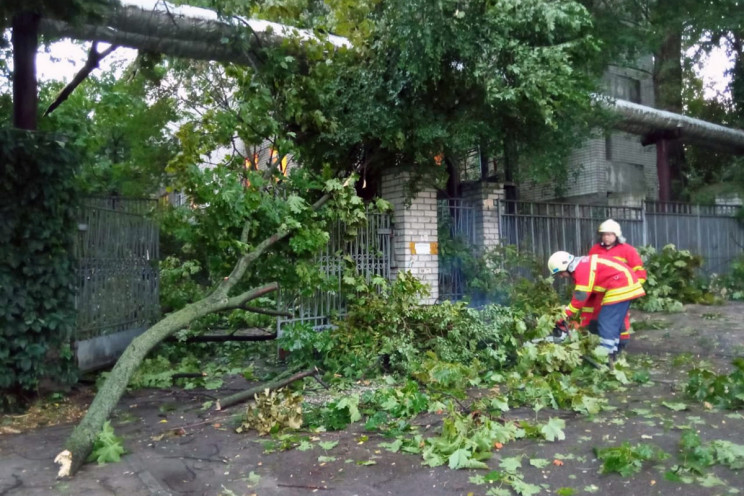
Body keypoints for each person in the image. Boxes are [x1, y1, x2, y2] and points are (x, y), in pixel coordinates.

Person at [548, 251, 645, 363]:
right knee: (610, 320)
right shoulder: (583, 267)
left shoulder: (582, 269)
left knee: (606, 321)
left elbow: (580, 298)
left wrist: (564, 314)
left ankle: (606, 357)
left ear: (567, 266)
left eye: (561, 273)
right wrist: (582, 325)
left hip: (620, 284)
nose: (561, 276)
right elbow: (589, 302)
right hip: (621, 283)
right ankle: (614, 353)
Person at [582, 219, 647, 352]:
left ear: (616, 235)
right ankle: (600, 345)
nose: (606, 237)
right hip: (599, 293)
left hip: (619, 293)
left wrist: (630, 292)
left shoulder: (627, 250)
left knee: (618, 318)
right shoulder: (595, 250)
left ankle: (620, 345)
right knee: (597, 317)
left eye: (610, 234)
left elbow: (639, 273)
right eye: (604, 234)